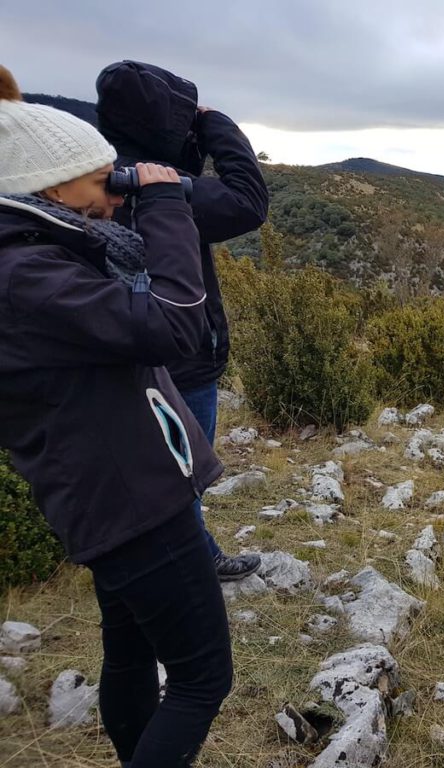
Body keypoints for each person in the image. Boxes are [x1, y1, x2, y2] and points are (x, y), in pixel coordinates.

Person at [0, 65, 231, 768]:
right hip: (131, 502)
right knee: (200, 678)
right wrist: (164, 205)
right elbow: (173, 325)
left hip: (107, 493)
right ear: (50, 187)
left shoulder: (37, 255)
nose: (114, 188)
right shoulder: (25, 275)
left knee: (130, 648)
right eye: (101, 178)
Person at [96, 60, 270, 582]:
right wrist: (215, 123)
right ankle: (194, 562)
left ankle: (163, 552)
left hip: (113, 350)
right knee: (184, 468)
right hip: (184, 356)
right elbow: (248, 200)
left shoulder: (90, 182)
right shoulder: (168, 188)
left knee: (145, 466)